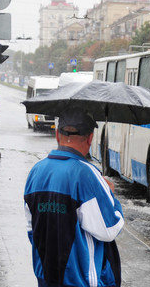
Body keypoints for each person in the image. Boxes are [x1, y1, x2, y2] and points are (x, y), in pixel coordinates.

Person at [24, 109, 124, 287]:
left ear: (57, 134)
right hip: (81, 282)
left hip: (45, 279)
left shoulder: (36, 172)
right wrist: (111, 196)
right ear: (90, 138)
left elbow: (32, 230)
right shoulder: (86, 175)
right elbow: (109, 229)